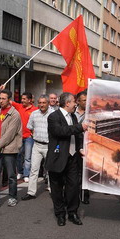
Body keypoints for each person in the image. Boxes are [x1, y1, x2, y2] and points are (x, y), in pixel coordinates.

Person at [45, 92, 87, 226]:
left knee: (73, 187)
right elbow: (60, 131)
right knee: (57, 188)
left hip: (73, 158)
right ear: (67, 103)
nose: (76, 104)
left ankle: (72, 212)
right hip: (58, 158)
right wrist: (80, 127)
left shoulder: (73, 116)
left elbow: (77, 136)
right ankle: (60, 214)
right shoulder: (53, 117)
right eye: (74, 102)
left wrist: (80, 148)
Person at [21, 95, 54, 200]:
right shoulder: (34, 114)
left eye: (44, 103)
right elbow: (30, 127)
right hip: (37, 145)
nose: (41, 105)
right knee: (33, 169)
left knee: (51, 170)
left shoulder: (53, 114)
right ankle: (31, 193)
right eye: (40, 102)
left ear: (48, 103)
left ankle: (52, 190)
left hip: (49, 145)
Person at [11, 92, 38, 182]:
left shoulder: (35, 110)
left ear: (29, 100)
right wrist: (2, 89)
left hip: (29, 137)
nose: (22, 100)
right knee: (18, 155)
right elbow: (9, 101)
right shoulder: (19, 107)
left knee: (27, 156)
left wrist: (34, 133)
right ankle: (20, 172)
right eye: (22, 99)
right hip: (18, 136)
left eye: (24, 99)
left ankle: (26, 174)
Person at [75, 90, 90, 204]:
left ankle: (85, 193)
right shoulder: (72, 113)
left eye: (87, 99)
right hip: (74, 143)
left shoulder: (91, 113)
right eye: (84, 100)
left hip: (86, 145)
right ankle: (75, 192)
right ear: (78, 101)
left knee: (85, 170)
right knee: (75, 170)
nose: (86, 102)